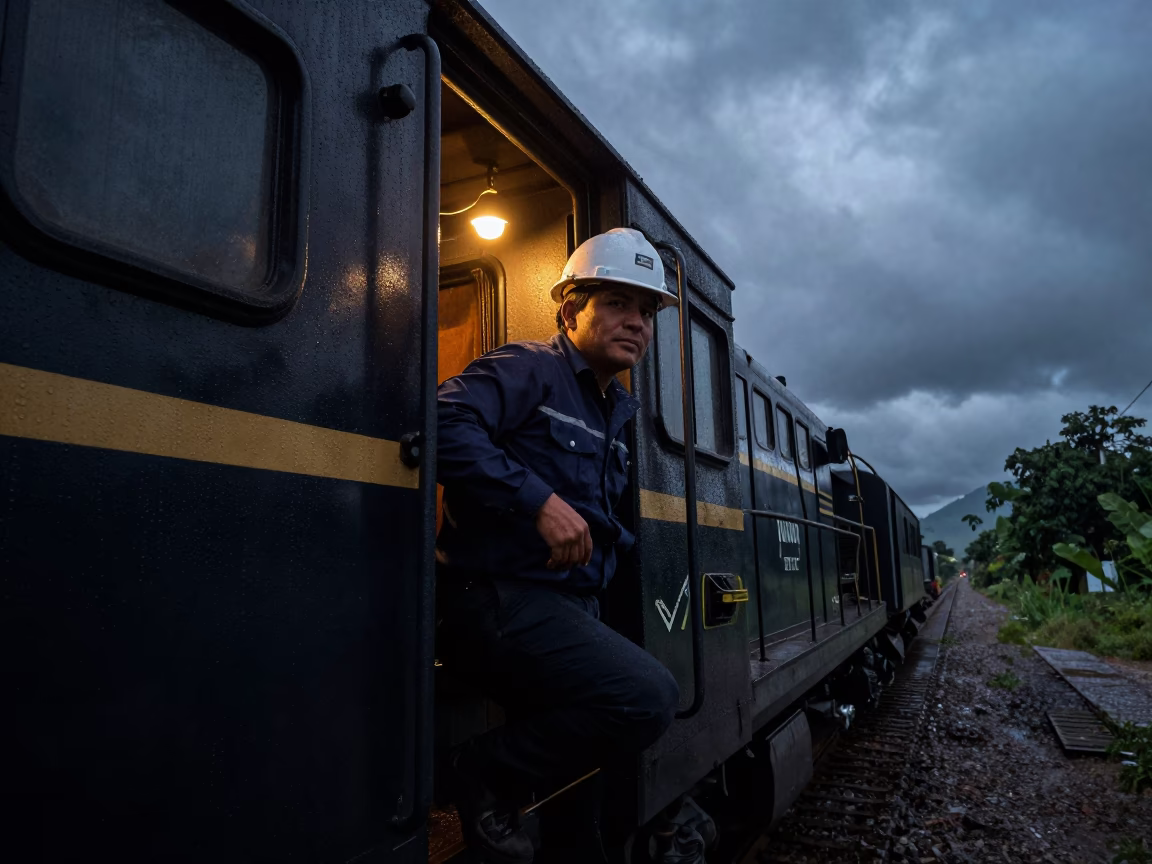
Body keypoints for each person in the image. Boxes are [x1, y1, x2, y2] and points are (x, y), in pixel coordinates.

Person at [436, 228, 681, 862]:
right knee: (647, 697)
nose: (637, 323)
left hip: (566, 610)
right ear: (570, 309)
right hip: (498, 600)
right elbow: (444, 422)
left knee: (579, 820)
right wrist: (538, 501)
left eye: (647, 311)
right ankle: (479, 770)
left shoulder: (614, 413)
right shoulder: (529, 368)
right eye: (618, 303)